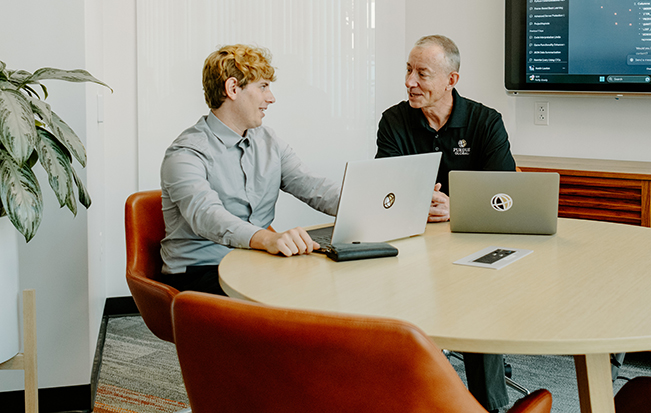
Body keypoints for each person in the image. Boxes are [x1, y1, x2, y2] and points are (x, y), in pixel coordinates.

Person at [376, 34, 515, 412]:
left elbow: (507, 197)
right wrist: (417, 202)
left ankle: (491, 407)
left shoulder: (486, 122)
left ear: (451, 80)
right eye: (408, 70)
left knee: (476, 305)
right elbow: (383, 191)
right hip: (413, 245)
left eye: (422, 73)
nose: (409, 82)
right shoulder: (394, 121)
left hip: (472, 243)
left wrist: (457, 207)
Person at [160, 44, 340, 295]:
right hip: (201, 271)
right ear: (233, 88)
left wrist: (366, 206)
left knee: (330, 284)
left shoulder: (268, 141)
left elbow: (311, 185)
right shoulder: (186, 153)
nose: (271, 98)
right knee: (295, 302)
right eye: (263, 86)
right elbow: (207, 215)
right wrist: (268, 239)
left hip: (255, 260)